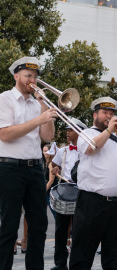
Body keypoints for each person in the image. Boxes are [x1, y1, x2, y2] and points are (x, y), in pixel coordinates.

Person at [69, 96, 117, 270]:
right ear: (95, 115)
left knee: (115, 255)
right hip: (93, 202)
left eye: (111, 113)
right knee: (83, 253)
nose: (108, 116)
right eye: (104, 113)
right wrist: (108, 130)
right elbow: (91, 148)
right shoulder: (86, 133)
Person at [0, 56, 57, 269]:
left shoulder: (37, 103)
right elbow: (5, 135)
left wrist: (44, 109)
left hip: (34, 169)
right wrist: (37, 120)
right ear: (16, 76)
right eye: (27, 75)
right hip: (9, 168)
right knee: (9, 226)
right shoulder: (5, 99)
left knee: (39, 226)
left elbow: (48, 136)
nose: (32, 80)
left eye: (35, 76)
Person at [50, 118, 87, 270]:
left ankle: (77, 264)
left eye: (70, 130)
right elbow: (54, 164)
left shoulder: (86, 150)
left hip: (82, 191)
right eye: (67, 130)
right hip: (65, 191)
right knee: (60, 230)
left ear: (79, 132)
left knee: (79, 230)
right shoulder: (63, 150)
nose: (67, 133)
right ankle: (60, 264)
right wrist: (54, 169)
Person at [43, 142, 59, 218]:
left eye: (46, 151)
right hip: (49, 192)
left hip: (51, 193)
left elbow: (51, 180)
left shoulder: (50, 165)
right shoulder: (47, 163)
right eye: (43, 151)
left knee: (56, 215)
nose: (44, 153)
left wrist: (43, 191)